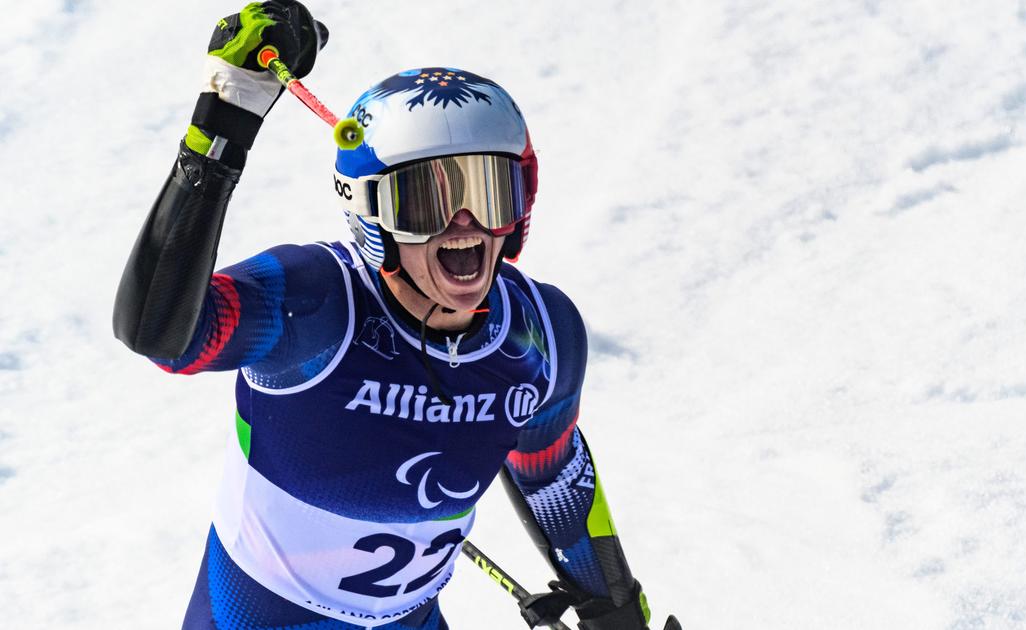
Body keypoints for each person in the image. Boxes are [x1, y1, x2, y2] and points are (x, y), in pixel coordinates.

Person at [113, 3, 671, 628]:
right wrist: (226, 119)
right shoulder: (315, 302)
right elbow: (160, 334)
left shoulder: (541, 335)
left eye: (489, 191)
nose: (465, 223)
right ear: (371, 215)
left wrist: (618, 608)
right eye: (428, 200)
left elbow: (552, 476)